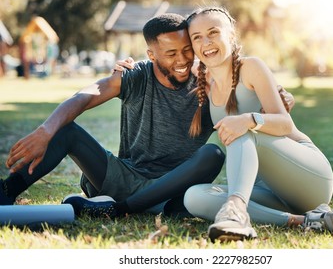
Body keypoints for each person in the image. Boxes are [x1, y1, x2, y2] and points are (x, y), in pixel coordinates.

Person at [0, 13, 225, 219]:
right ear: (151, 55)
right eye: (171, 53)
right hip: (125, 179)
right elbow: (86, 95)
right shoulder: (136, 75)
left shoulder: (207, 81)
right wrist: (45, 132)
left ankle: (118, 208)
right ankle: (7, 191)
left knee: (212, 154)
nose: (182, 60)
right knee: (66, 130)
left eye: (187, 50)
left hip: (175, 188)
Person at [182, 6, 333, 242]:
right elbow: (160, 63)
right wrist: (128, 68)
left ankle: (236, 211)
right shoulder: (203, 81)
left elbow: (285, 125)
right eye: (197, 37)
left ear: (231, 35)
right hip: (268, 189)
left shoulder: (251, 68)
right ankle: (305, 221)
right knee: (193, 197)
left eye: (213, 32)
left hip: (309, 177)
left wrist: (248, 120)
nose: (206, 42)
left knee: (241, 130)